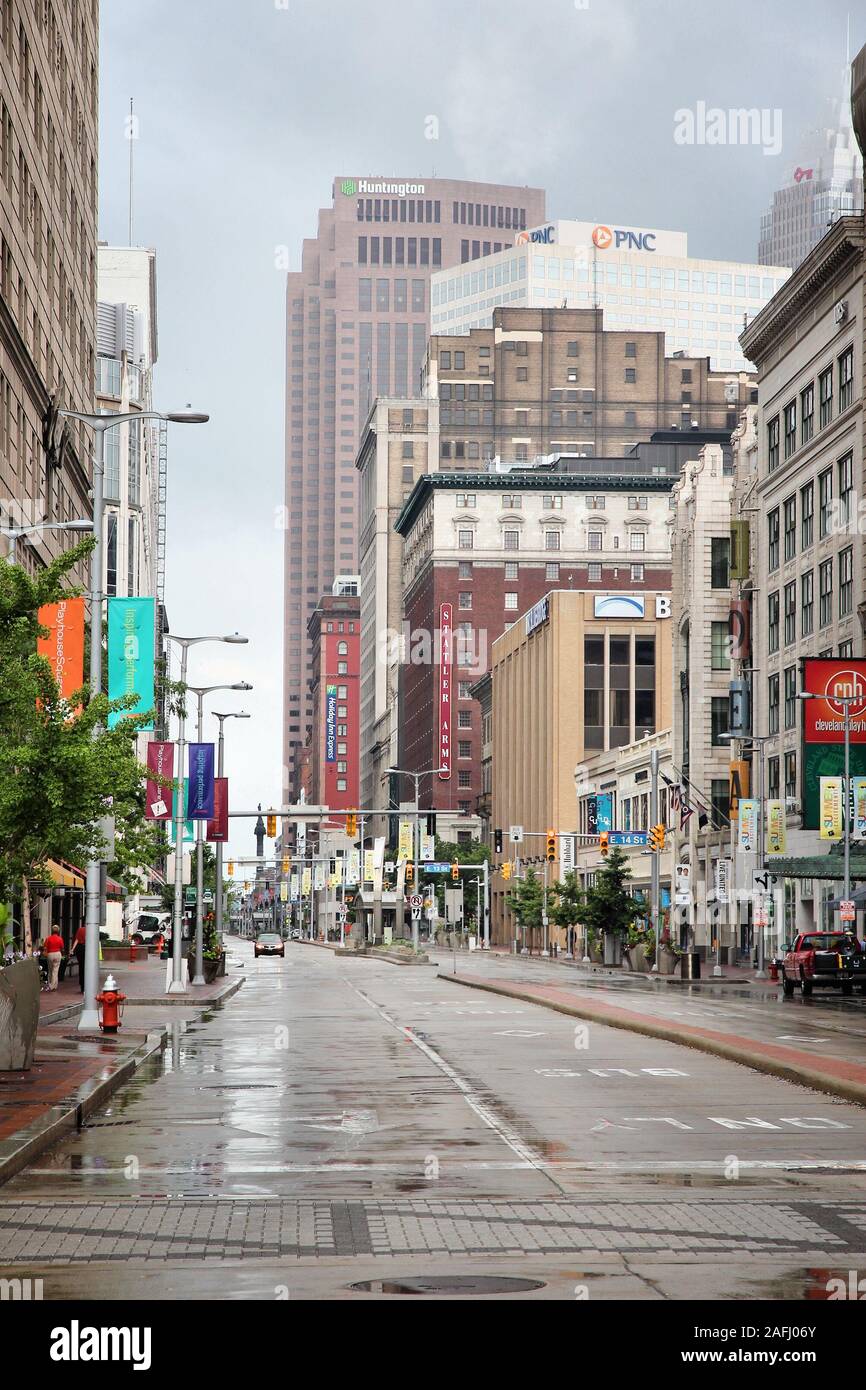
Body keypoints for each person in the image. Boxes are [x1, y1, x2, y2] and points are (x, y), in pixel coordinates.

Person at [73, 923, 86, 993]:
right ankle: (87, 985)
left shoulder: (80, 929)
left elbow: (77, 940)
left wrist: (72, 949)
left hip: (79, 949)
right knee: (87, 968)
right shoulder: (91, 930)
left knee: (81, 967)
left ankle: (82, 986)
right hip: (86, 948)